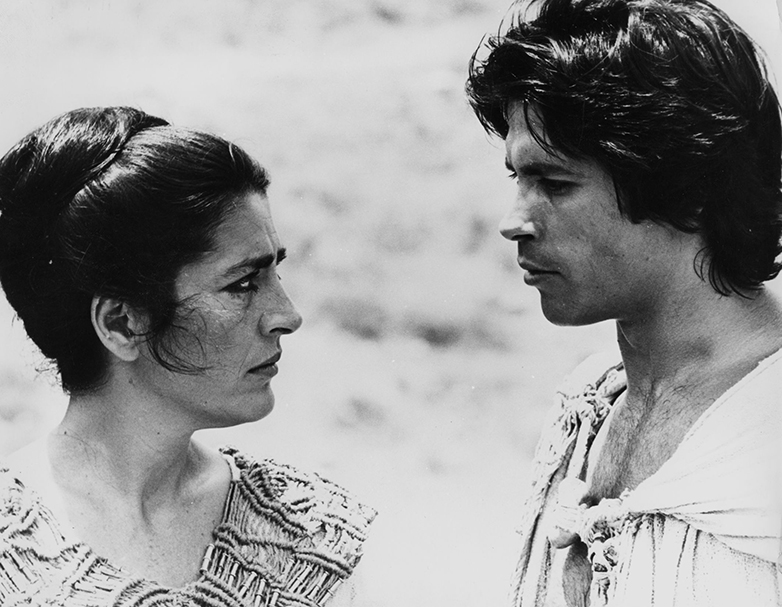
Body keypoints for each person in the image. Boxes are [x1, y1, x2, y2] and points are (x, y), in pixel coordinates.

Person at [466, 0, 782, 605]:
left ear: (685, 187)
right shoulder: (587, 409)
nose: (513, 222)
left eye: (556, 183)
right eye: (518, 179)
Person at [0, 106, 375, 607]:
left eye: (276, 273)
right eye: (243, 283)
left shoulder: (307, 542)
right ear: (122, 323)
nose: (287, 315)